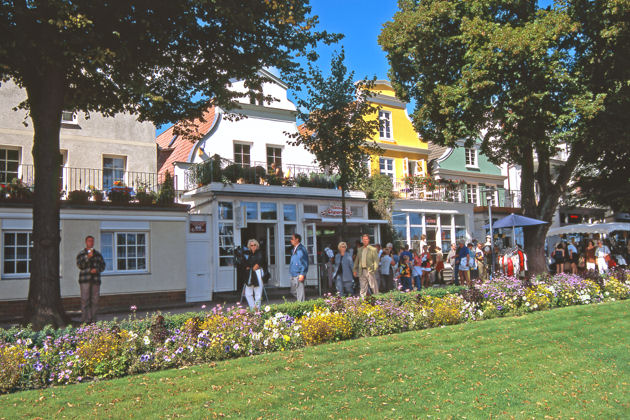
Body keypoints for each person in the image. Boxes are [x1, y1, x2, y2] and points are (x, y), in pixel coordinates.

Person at [76, 235, 106, 323]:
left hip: (95, 280)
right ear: (86, 242)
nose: (91, 243)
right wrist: (87, 257)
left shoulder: (98, 254)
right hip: (85, 280)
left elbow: (103, 266)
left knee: (95, 301)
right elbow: (80, 265)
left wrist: (97, 270)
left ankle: (93, 320)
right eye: (89, 241)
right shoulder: (81, 254)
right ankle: (85, 320)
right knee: (85, 300)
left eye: (92, 241)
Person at [243, 239, 265, 310]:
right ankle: (253, 309)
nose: (253, 247)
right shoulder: (249, 254)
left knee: (257, 293)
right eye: (251, 245)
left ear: (257, 245)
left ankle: (257, 310)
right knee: (248, 293)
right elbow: (246, 265)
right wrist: (249, 268)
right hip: (250, 274)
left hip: (257, 273)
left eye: (254, 245)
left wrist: (250, 268)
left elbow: (257, 266)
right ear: (249, 246)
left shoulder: (260, 253)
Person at [289, 233, 309, 301]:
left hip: (298, 274)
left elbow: (304, 262)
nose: (290, 240)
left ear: (297, 240)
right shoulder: (294, 249)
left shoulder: (301, 249)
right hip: (293, 273)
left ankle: (302, 305)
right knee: (293, 291)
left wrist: (302, 273)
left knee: (300, 293)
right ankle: (304, 301)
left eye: (292, 239)